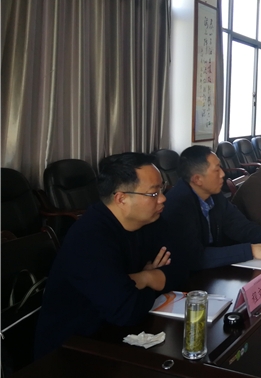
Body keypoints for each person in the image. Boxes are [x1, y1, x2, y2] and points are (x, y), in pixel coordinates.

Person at [35, 153, 187, 359]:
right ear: (121, 198)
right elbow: (128, 312)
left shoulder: (150, 221)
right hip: (71, 351)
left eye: (162, 189)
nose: (163, 198)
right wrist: (154, 281)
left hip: (117, 337)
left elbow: (183, 266)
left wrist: (144, 278)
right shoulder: (89, 238)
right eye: (153, 193)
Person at [162, 146, 261, 270]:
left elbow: (240, 225)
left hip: (215, 268)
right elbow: (195, 257)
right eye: (216, 170)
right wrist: (250, 250)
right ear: (197, 179)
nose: (222, 174)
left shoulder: (214, 195)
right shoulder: (177, 206)